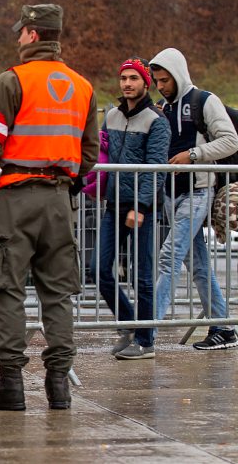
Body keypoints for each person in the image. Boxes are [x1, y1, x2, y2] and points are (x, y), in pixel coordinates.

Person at [0, 4, 98, 410]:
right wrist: (67, 183)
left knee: (5, 286)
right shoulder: (82, 87)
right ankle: (59, 385)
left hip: (16, 194)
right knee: (58, 292)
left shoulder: (10, 81)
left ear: (31, 34)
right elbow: (90, 152)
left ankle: (11, 384)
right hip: (60, 199)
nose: (17, 39)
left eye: (20, 32)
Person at [150, 48, 238, 350]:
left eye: (165, 80)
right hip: (171, 195)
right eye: (157, 81)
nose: (160, 86)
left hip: (199, 191)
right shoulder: (164, 107)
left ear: (178, 75)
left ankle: (146, 334)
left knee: (169, 257)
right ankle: (223, 328)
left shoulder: (205, 101)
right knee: (198, 266)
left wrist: (194, 155)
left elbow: (230, 140)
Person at [97, 58, 170, 360]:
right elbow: (103, 152)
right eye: (123, 78)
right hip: (114, 205)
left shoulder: (156, 121)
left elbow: (156, 169)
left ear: (145, 83)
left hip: (144, 210)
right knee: (98, 269)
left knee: (142, 277)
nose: (127, 83)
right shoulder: (112, 116)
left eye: (133, 78)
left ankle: (145, 341)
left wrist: (140, 206)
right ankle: (129, 322)